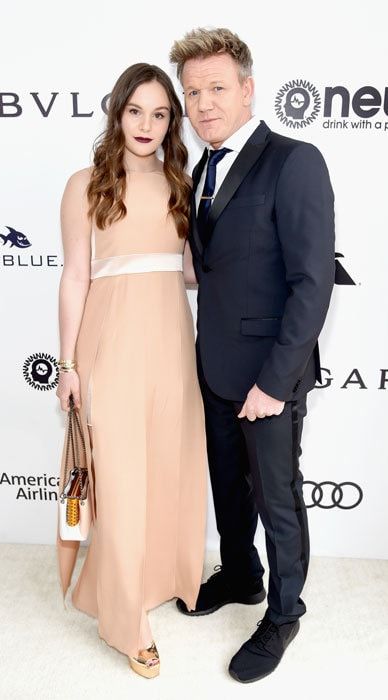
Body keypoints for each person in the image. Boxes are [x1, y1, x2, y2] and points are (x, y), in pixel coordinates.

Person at [170, 28, 335, 683]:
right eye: (192, 93)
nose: (204, 104)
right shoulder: (200, 168)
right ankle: (242, 577)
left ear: (246, 88)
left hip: (270, 375)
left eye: (216, 88)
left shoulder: (294, 160)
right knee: (227, 492)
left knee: (278, 500)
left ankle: (285, 613)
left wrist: (275, 381)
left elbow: (311, 281)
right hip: (213, 367)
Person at [55, 62, 207, 679]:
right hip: (109, 347)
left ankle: (152, 580)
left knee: (164, 472)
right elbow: (73, 276)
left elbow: (191, 268)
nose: (147, 124)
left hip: (172, 344)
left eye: (161, 113)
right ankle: (125, 623)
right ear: (117, 112)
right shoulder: (86, 182)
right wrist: (67, 365)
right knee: (116, 480)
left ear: (172, 123)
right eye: (136, 110)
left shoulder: (181, 182)